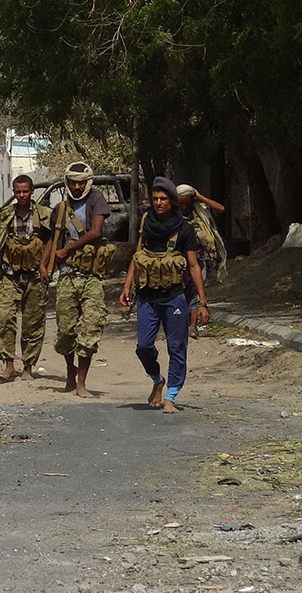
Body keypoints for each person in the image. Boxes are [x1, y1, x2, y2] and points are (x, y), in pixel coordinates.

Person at [120, 176, 208, 413]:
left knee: (177, 347)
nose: (158, 203)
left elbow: (193, 267)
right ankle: (157, 379)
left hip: (174, 297)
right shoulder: (146, 223)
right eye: (155, 199)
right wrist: (127, 286)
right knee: (144, 346)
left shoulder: (184, 229)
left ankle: (171, 396)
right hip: (147, 297)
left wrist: (201, 301)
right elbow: (137, 257)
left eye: (163, 199)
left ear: (172, 201)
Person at [43, 161, 114, 397]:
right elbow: (53, 239)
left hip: (91, 276)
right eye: (72, 182)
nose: (76, 186)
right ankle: (70, 372)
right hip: (67, 276)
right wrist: (45, 266)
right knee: (65, 330)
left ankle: (82, 381)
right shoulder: (61, 208)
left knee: (92, 326)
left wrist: (69, 250)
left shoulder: (96, 200)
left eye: (80, 182)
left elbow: (96, 231)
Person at [0, 175, 53, 381]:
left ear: (32, 191)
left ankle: (28, 366)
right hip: (10, 276)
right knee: (5, 316)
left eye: (25, 191)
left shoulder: (44, 215)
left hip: (35, 277)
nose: (21, 195)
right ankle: (9, 364)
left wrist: (48, 269)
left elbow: (54, 242)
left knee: (33, 322)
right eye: (18, 192)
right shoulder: (6, 216)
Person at [176, 184, 227, 339]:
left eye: (187, 203)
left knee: (196, 290)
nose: (184, 207)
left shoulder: (199, 211)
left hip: (198, 256)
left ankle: (192, 326)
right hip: (177, 257)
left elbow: (220, 209)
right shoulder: (170, 215)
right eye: (181, 203)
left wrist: (200, 197)